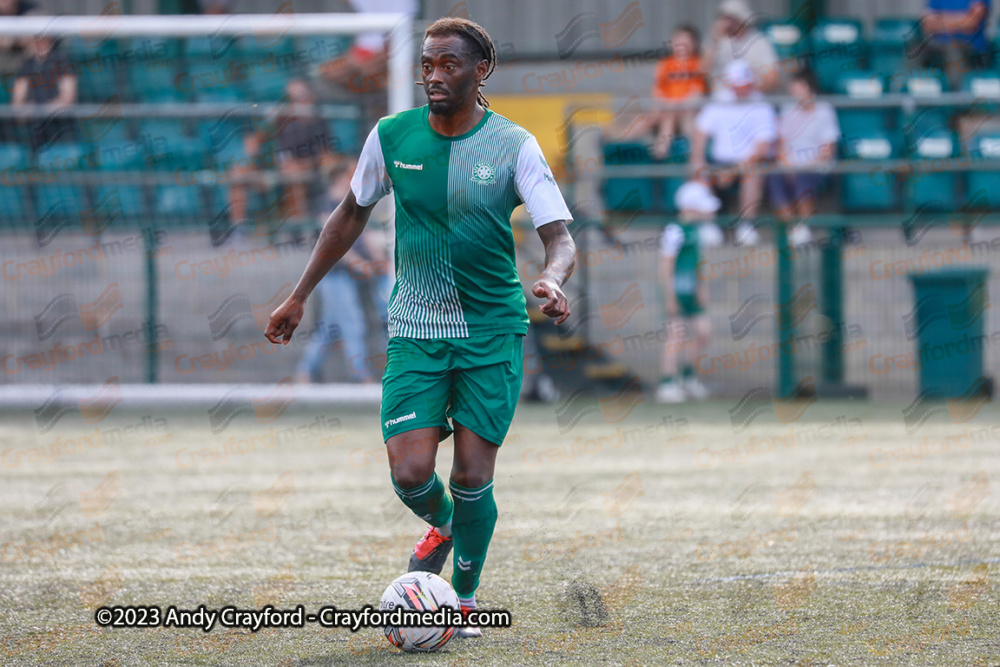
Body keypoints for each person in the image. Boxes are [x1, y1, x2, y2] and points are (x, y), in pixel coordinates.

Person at [265, 17, 575, 638]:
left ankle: (460, 602)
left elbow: (558, 237)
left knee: (470, 476)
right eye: (428, 64)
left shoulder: (514, 145)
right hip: (415, 329)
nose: (434, 76)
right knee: (409, 473)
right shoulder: (391, 135)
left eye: (448, 65)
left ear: (480, 70)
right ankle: (446, 525)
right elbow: (348, 215)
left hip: (491, 333)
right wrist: (299, 295)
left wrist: (554, 278)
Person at [295, 158, 390, 384]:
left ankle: (305, 372)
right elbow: (334, 245)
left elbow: (365, 235)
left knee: (330, 327)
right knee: (351, 322)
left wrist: (377, 261)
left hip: (354, 275)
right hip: (334, 274)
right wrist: (358, 263)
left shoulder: (357, 202)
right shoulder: (327, 205)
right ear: (341, 177)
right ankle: (360, 376)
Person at [690, 59, 777, 246]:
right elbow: (700, 132)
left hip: (747, 163)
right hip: (719, 160)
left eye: (744, 85)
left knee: (754, 173)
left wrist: (733, 171)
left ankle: (746, 226)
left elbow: (763, 147)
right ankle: (708, 226)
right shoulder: (720, 100)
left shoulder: (761, 105)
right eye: (737, 86)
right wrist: (698, 159)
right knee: (698, 170)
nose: (740, 90)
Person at [656, 181, 722, 404]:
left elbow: (698, 263)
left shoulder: (697, 231)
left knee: (703, 332)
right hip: (677, 292)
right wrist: (670, 296)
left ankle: (687, 377)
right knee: (675, 336)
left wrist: (702, 287)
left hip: (692, 292)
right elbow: (667, 265)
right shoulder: (675, 230)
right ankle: (667, 383)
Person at [768, 68, 839, 246]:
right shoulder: (787, 109)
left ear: (809, 88)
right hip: (790, 165)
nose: (793, 91)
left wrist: (802, 166)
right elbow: (781, 145)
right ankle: (793, 229)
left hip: (815, 166)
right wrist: (787, 164)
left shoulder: (825, 111)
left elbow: (827, 151)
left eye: (797, 87)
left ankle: (804, 227)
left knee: (803, 180)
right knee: (773, 179)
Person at [12, 33, 77, 151]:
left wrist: (43, 110)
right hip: (33, 128)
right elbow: (17, 102)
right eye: (36, 39)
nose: (40, 42)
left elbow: (67, 98)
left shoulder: (62, 60)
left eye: (43, 38)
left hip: (60, 127)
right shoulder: (27, 65)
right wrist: (25, 111)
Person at [650, 24, 707, 159]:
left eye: (685, 42)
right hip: (668, 108)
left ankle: (690, 155)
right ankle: (618, 141)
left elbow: (697, 92)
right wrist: (666, 104)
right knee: (657, 116)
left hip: (687, 110)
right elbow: (658, 91)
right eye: (677, 41)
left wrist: (678, 105)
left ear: (694, 45)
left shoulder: (698, 64)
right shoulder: (665, 64)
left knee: (681, 118)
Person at [702, 0, 780, 95]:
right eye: (724, 18)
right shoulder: (716, 40)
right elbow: (703, 71)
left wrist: (747, 91)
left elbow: (773, 79)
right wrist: (715, 41)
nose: (728, 23)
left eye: (732, 19)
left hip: (751, 101)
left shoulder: (759, 42)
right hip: (720, 102)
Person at [920, 0, 991, 89]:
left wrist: (940, 21)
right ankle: (901, 96)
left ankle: (955, 97)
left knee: (952, 49)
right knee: (916, 47)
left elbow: (971, 22)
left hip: (972, 50)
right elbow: (927, 24)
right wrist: (961, 19)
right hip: (938, 46)